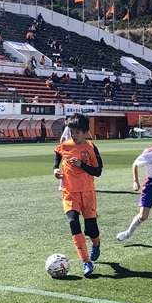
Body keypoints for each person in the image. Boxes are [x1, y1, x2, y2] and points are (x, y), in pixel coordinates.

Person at [53, 114, 103, 275]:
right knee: (73, 222)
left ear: (85, 132)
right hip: (69, 192)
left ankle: (96, 243)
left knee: (91, 229)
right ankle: (86, 261)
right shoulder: (65, 145)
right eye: (72, 132)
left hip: (87, 193)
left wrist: (82, 165)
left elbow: (98, 171)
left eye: (77, 132)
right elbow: (58, 154)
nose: (74, 135)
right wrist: (55, 169)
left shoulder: (91, 147)